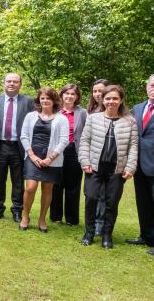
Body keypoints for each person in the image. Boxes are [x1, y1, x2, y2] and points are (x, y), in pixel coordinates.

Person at [79, 85, 138, 248]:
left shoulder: (130, 121)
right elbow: (85, 141)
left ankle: (106, 235)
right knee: (90, 198)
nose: (111, 101)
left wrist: (130, 167)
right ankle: (89, 233)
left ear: (120, 100)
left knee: (112, 202)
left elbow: (133, 146)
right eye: (108, 98)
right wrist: (85, 161)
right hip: (94, 167)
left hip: (117, 169)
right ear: (103, 100)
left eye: (115, 98)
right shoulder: (93, 118)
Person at [19, 88, 69, 232]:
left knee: (47, 189)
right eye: (42, 98)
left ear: (54, 100)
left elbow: (64, 140)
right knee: (30, 188)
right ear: (38, 100)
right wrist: (32, 155)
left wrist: (50, 158)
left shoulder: (62, 118)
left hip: (52, 159)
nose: (45, 101)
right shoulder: (30, 116)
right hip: (32, 156)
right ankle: (25, 216)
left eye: (48, 98)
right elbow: (24, 136)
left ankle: (42, 218)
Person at [0, 73, 34, 222]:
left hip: (19, 146)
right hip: (0, 145)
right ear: (3, 83)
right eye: (9, 81)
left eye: (15, 82)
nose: (11, 84)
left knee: (18, 180)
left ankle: (17, 209)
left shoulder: (28, 102)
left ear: (20, 84)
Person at [49, 84, 87, 225]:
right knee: (56, 184)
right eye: (67, 93)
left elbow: (85, 134)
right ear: (62, 95)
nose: (69, 96)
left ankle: (71, 219)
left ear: (77, 97)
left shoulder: (82, 113)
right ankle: (56, 217)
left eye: (73, 94)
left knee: (73, 186)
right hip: (57, 150)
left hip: (74, 151)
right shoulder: (55, 111)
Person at [127, 75, 154, 256]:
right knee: (143, 203)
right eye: (152, 85)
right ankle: (146, 236)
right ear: (146, 87)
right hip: (139, 164)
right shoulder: (137, 108)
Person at [86, 78, 109, 235]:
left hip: (106, 158)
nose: (97, 94)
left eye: (101, 91)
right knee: (90, 193)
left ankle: (100, 224)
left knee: (103, 194)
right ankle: (91, 222)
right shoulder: (90, 110)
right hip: (90, 158)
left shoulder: (112, 110)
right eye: (95, 91)